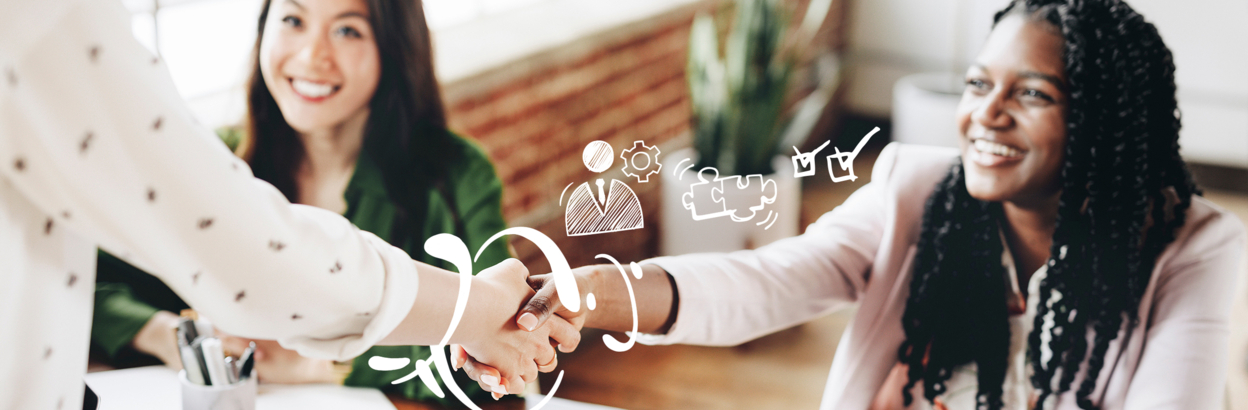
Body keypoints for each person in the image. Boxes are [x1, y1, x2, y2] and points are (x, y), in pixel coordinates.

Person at [459, 0, 1247, 408]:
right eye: (979, 85)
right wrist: (582, 294)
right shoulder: (916, 187)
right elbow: (766, 280)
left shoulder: (1195, 248)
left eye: (1032, 93)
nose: (987, 114)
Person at [0, 0, 573, 408]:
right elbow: (238, 258)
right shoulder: (220, 164)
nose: (313, 55)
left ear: (395, 50)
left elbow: (483, 374)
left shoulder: (453, 175)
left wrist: (319, 365)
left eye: (349, 31)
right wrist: (162, 332)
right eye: (293, 19)